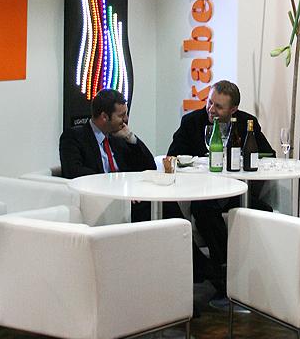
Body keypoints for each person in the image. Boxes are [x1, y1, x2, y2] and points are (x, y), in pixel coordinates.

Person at [59, 88, 209, 284]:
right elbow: (75, 172)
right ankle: (203, 272)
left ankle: (190, 271)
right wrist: (119, 185)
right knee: (158, 212)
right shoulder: (74, 137)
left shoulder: (117, 136)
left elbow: (148, 165)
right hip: (103, 202)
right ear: (104, 117)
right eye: (121, 115)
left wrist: (131, 138)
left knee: (167, 205)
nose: (126, 119)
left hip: (131, 199)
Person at [167, 80, 275, 295]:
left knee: (264, 211)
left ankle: (262, 275)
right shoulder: (192, 122)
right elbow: (173, 155)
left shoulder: (247, 122)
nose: (211, 109)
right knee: (204, 211)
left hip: (235, 190)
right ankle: (223, 271)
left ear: (233, 109)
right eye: (209, 103)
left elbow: (268, 154)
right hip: (202, 193)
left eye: (218, 106)